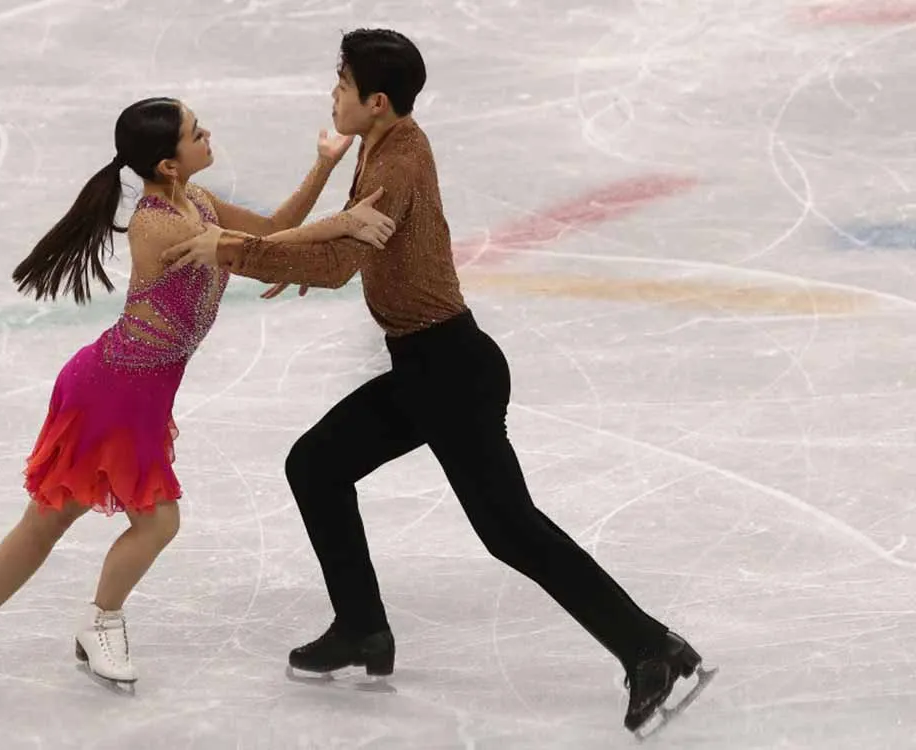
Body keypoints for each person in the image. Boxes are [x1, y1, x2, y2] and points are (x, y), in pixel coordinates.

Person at [161, 30, 714, 737]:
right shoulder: (383, 142)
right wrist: (290, 257)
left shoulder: (400, 159)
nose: (333, 92)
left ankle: (648, 649)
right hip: (423, 367)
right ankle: (363, 627)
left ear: (377, 101)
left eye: (341, 83)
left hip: (450, 371)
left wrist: (233, 252)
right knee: (317, 464)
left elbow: (336, 264)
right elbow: (348, 246)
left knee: (510, 531)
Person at [0, 96, 396, 707]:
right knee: (133, 519)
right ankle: (75, 625)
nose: (206, 131)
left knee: (55, 520)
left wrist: (324, 167)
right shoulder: (160, 224)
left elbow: (270, 231)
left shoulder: (201, 205)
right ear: (168, 164)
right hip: (110, 391)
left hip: (136, 392)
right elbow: (254, 251)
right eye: (195, 131)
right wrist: (343, 224)